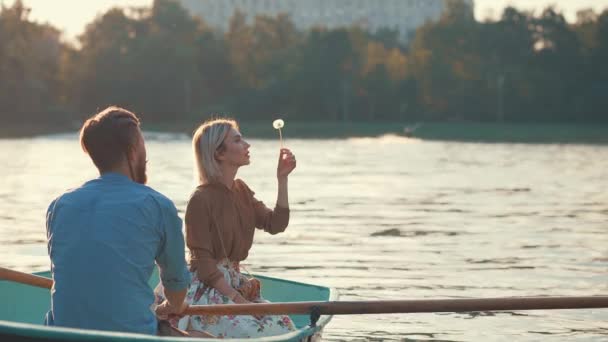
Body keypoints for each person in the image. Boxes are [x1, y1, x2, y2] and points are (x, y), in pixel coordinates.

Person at [45, 106, 191, 336]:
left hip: (60, 334)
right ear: (133, 151)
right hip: (131, 334)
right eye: (143, 146)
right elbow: (176, 286)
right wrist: (174, 306)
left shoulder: (59, 205)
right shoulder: (157, 205)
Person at [155, 118, 297, 338]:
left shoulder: (241, 190)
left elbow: (276, 224)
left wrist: (282, 179)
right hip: (206, 290)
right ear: (219, 154)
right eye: (238, 140)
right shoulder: (200, 200)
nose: (247, 145)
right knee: (252, 332)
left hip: (234, 284)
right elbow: (204, 266)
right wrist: (240, 302)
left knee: (284, 326)